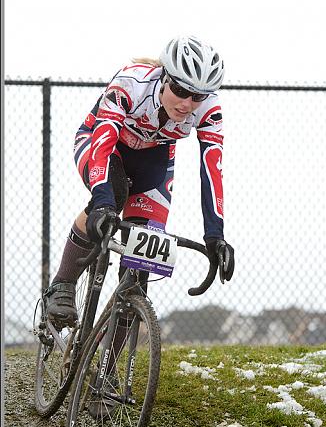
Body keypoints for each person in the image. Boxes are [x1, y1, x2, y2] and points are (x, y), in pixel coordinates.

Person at [45, 36, 235, 327]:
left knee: (137, 274)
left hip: (153, 162)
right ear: (164, 77)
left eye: (197, 96)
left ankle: (109, 371)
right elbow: (104, 142)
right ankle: (63, 284)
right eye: (180, 90)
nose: (187, 104)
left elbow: (211, 170)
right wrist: (103, 201)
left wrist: (215, 235)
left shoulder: (210, 109)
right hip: (103, 145)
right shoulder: (132, 82)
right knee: (114, 196)